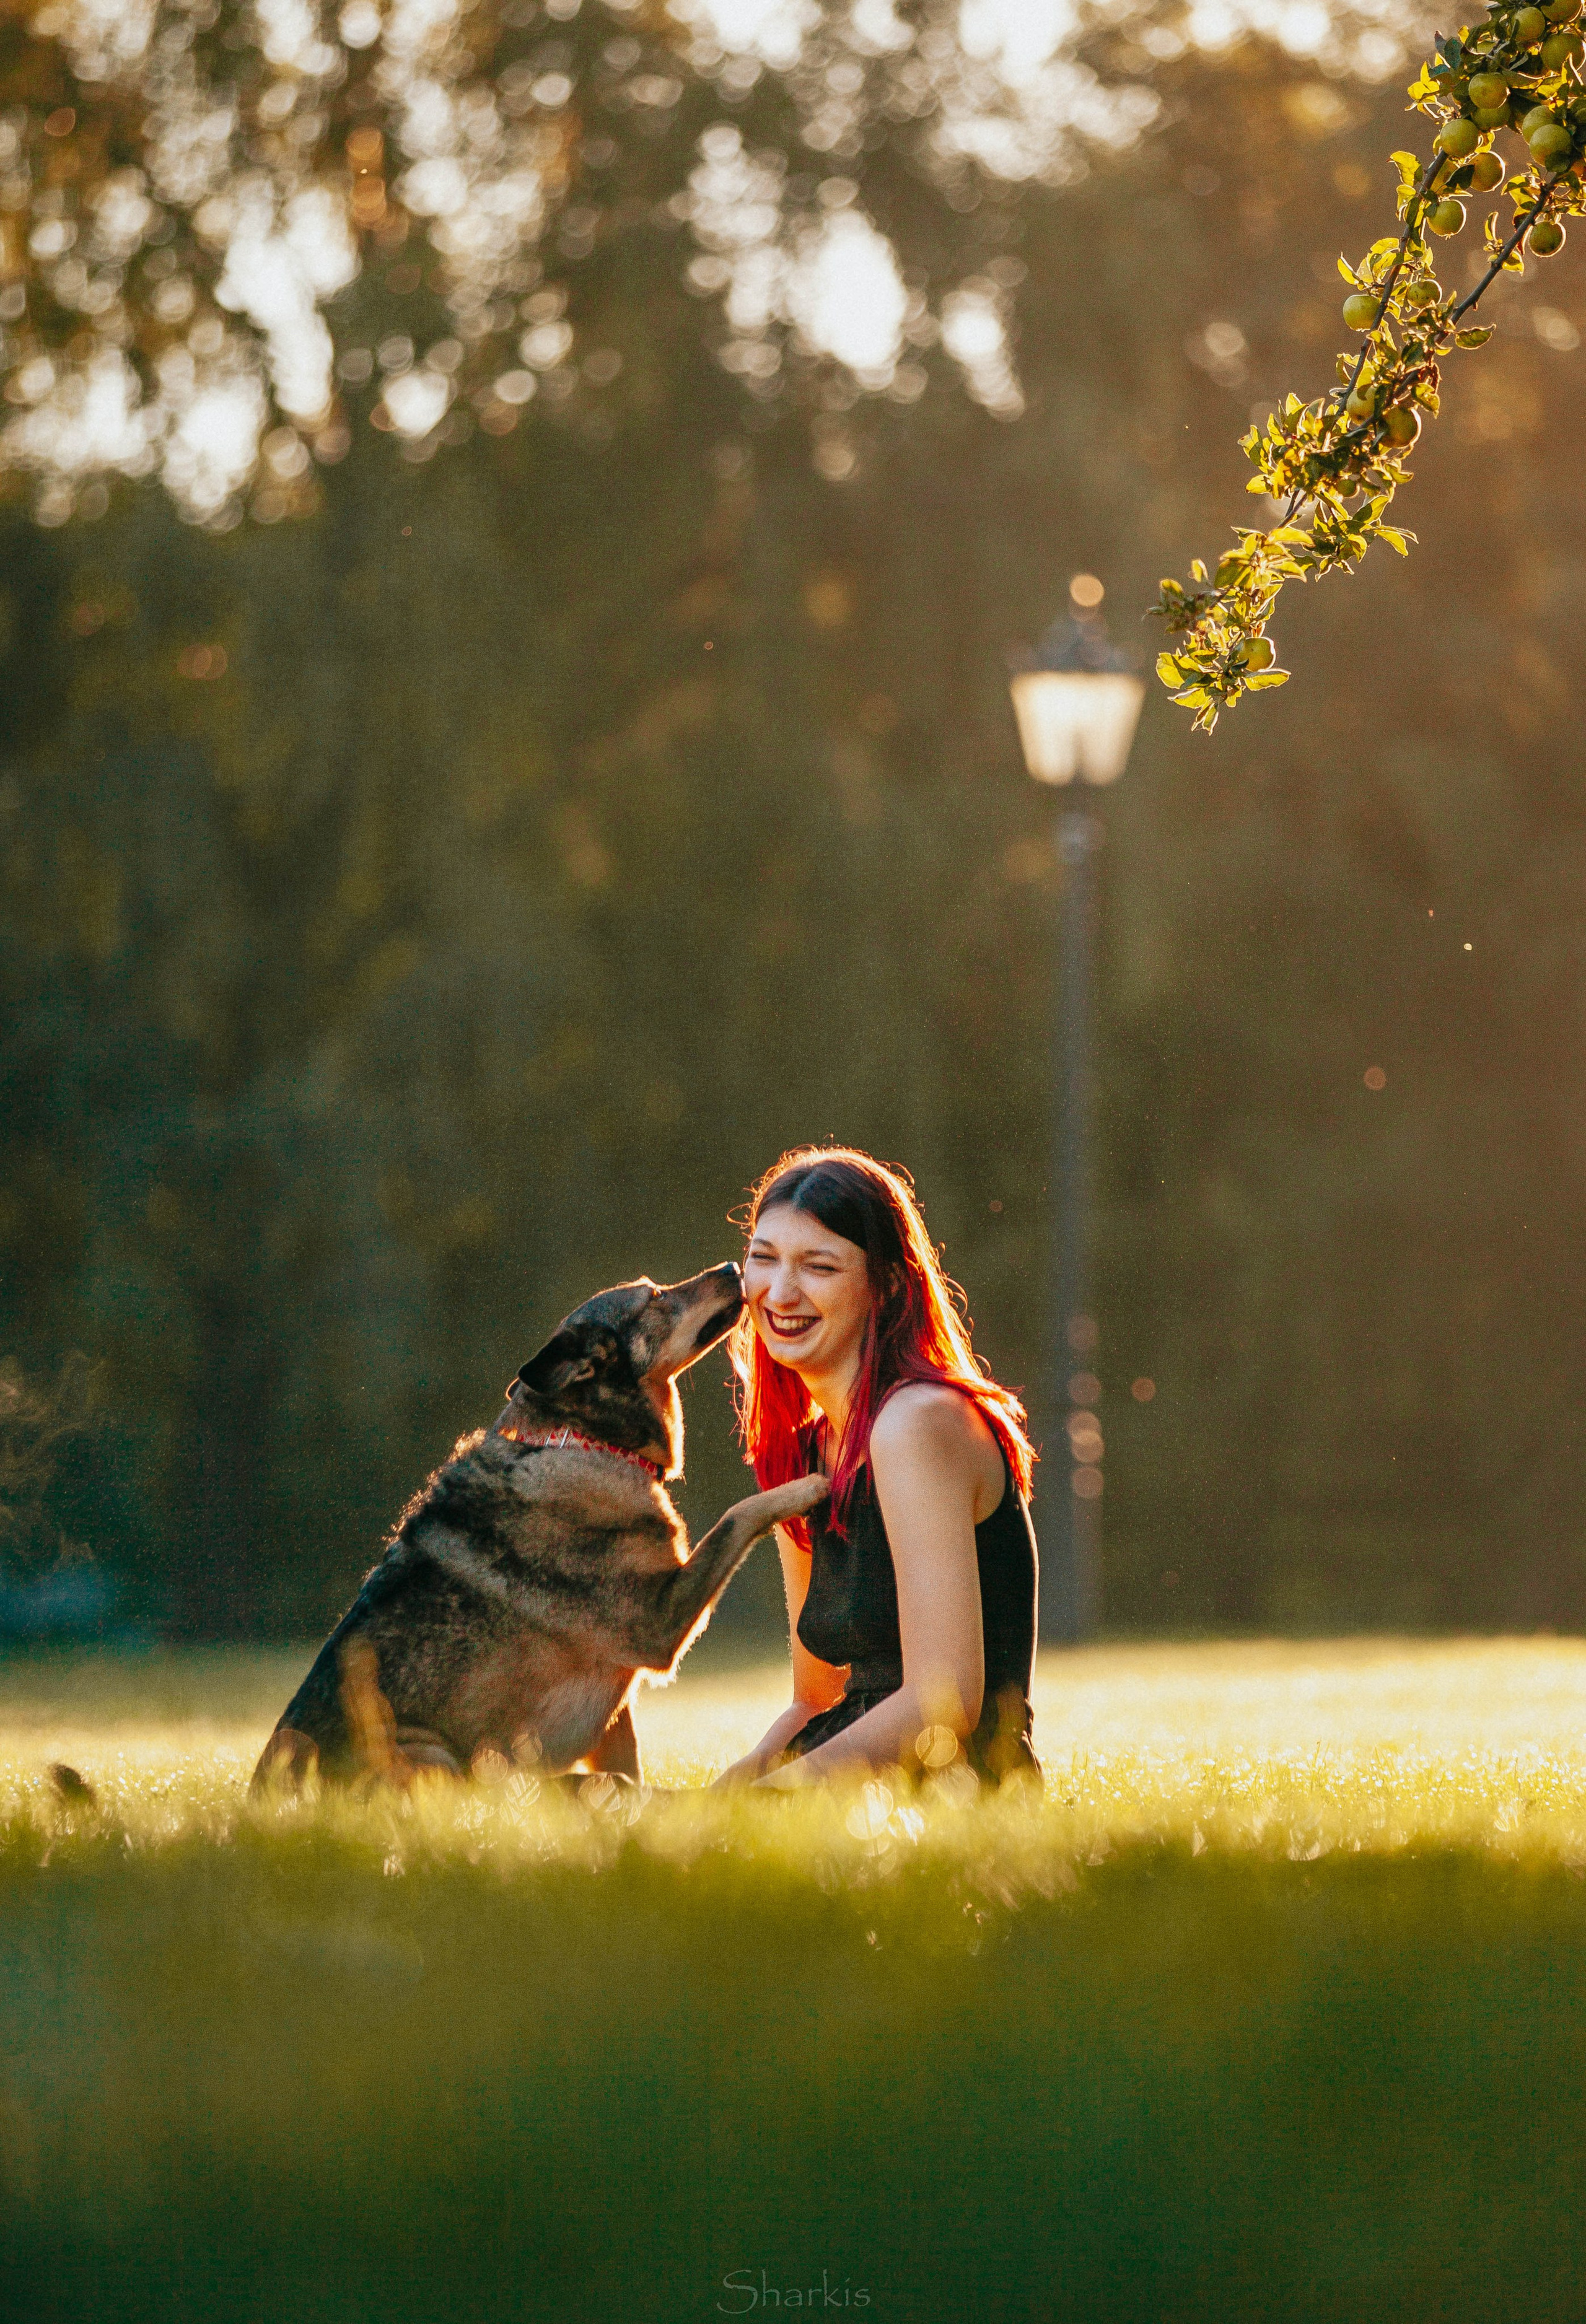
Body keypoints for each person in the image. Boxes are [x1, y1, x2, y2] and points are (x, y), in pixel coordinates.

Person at [716, 1146, 1040, 1789]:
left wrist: (766, 1802)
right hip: (851, 1789)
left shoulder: (915, 1422)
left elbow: (943, 1706)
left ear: (887, 1283)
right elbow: (815, 1699)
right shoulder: (802, 1451)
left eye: (819, 1265)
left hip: (945, 1796)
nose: (780, 1292)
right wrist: (725, 1792)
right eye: (764, 1258)